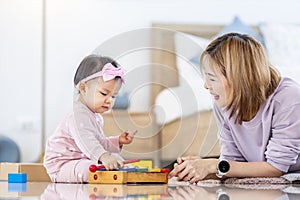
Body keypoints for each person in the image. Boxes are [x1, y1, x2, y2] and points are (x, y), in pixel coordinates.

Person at [168, 32, 300, 183]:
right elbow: (233, 163)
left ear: (238, 77)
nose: (206, 86)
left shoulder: (288, 97)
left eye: (212, 78)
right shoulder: (225, 100)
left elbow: (276, 168)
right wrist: (200, 167)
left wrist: (213, 164)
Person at [44, 55, 137, 183]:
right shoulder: (77, 115)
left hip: (82, 159)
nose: (109, 100)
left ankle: (123, 173)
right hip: (63, 165)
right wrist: (104, 157)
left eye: (114, 96)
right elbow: (87, 142)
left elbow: (98, 143)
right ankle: (113, 176)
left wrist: (117, 141)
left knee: (115, 159)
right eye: (104, 94)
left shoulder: (95, 117)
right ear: (83, 88)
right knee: (90, 168)